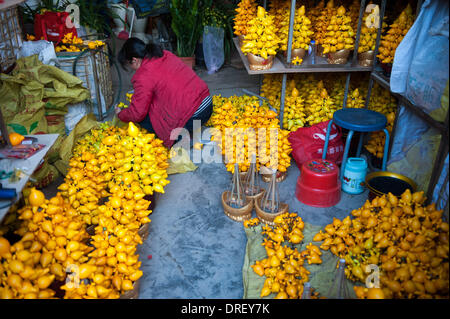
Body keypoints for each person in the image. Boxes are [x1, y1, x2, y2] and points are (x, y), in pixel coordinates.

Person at [116, 37, 212, 149]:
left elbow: (137, 113)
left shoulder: (144, 75)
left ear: (135, 60)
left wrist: (121, 114)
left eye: (129, 65)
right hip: (207, 105)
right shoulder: (164, 54)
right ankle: (188, 130)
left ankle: (182, 137)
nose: (131, 69)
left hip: (194, 115)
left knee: (144, 116)